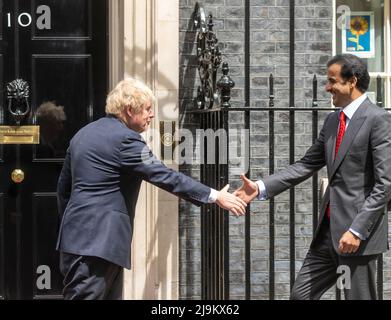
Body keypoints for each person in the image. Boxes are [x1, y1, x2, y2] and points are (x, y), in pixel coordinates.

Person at [56, 77, 247, 300]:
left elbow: (63, 190)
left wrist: (74, 227)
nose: (151, 115)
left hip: (76, 239)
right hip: (100, 243)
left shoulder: (83, 134)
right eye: (147, 109)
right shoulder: (126, 140)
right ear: (129, 110)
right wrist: (214, 196)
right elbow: (165, 176)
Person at [235, 54, 391, 300]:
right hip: (327, 233)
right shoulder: (332, 121)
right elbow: (306, 164)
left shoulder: (378, 119)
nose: (327, 87)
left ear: (352, 81)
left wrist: (357, 231)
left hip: (356, 236)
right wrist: (260, 187)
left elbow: (385, 184)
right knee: (301, 295)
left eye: (332, 81)